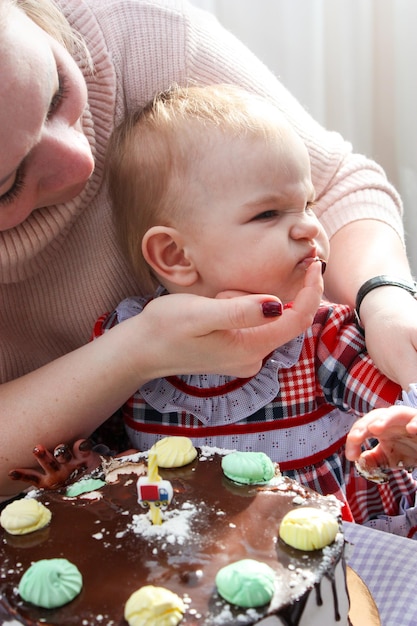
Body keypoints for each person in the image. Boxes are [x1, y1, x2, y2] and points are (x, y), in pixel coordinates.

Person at [2, 0, 417, 501]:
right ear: (174, 256)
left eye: (56, 93)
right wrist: (93, 445)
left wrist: (387, 304)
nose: (82, 160)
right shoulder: (121, 330)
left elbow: (338, 185)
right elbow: (110, 455)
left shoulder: (324, 340)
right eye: (8, 181)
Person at [90, 83, 417, 535]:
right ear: (176, 256)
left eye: (307, 204)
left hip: (333, 567)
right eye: (268, 214)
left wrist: (398, 426)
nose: (309, 225)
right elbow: (99, 452)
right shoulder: (124, 342)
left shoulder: (323, 336)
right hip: (202, 572)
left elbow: (396, 399)